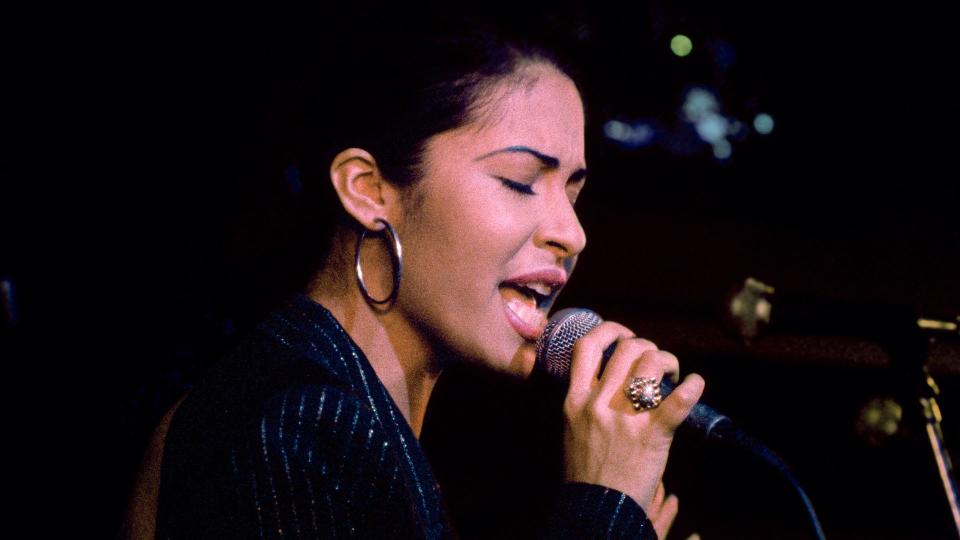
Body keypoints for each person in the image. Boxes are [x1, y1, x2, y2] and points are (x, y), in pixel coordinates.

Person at [152, 9, 705, 539]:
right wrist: (602, 510)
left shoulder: (342, 409)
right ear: (369, 190)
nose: (573, 233)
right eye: (519, 180)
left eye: (573, 192)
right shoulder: (303, 423)